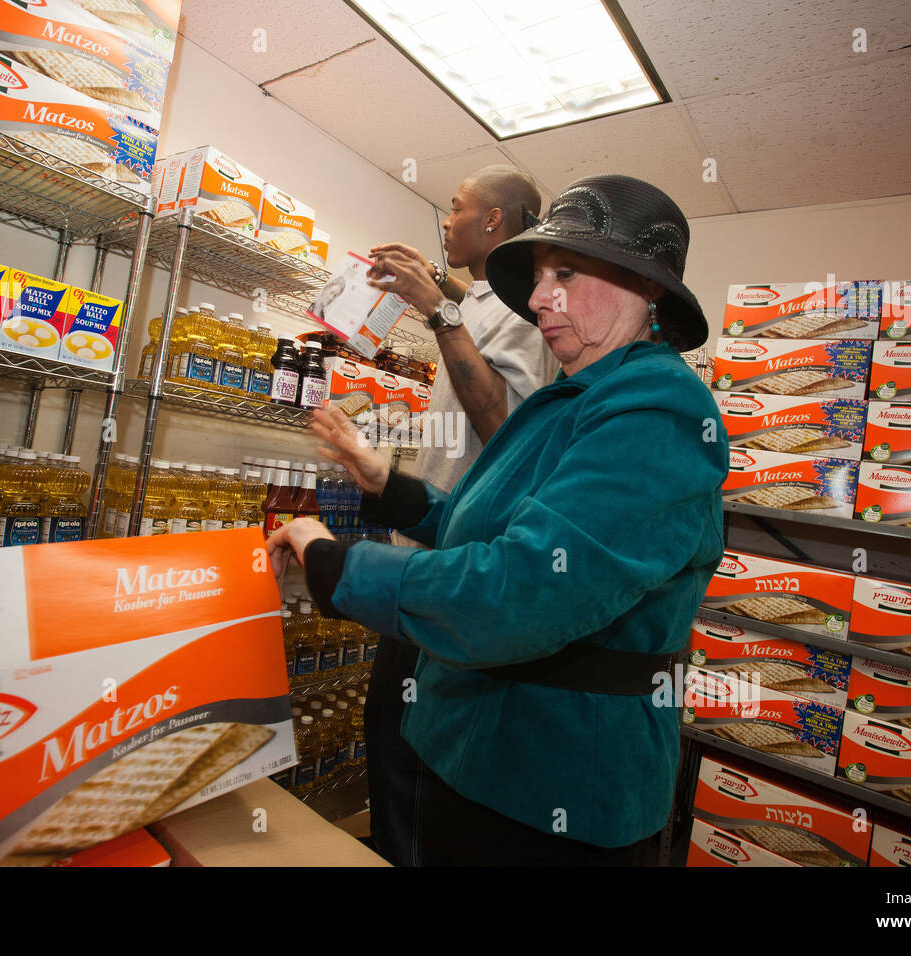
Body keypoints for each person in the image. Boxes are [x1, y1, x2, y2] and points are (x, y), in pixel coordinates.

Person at [267, 174, 728, 865]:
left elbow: (520, 589)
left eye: (565, 273)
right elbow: (492, 525)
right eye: (541, 276)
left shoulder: (658, 412)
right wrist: (388, 487)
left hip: (553, 787)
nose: (541, 299)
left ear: (649, 289)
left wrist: (334, 564)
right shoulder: (579, 395)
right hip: (478, 754)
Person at [359, 165, 558, 865]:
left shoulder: (527, 312)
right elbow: (474, 305)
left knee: (402, 743)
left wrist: (438, 308)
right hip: (430, 545)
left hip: (456, 561)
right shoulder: (484, 300)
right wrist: (432, 285)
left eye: (455, 208)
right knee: (393, 733)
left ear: (494, 222)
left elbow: (504, 425)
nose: (445, 222)